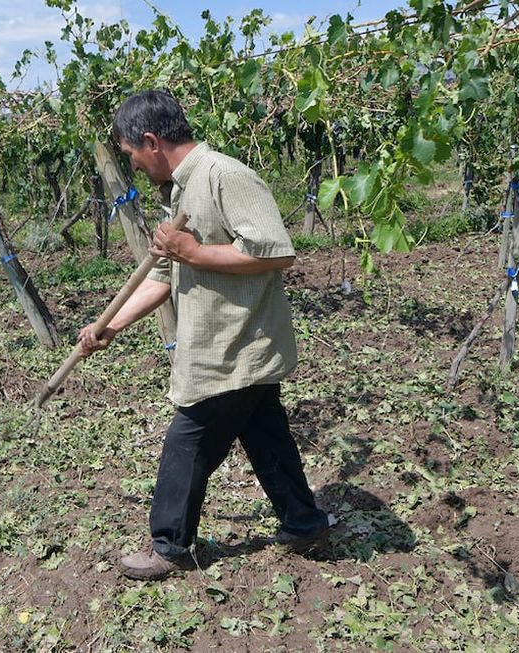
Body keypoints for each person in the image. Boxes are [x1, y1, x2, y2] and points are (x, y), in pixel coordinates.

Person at [79, 90, 330, 581]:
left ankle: (170, 547)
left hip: (231, 349)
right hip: (241, 351)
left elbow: (277, 253)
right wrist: (109, 325)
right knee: (266, 437)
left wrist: (193, 253)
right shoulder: (181, 190)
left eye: (131, 154)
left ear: (150, 141)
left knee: (186, 444)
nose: (133, 165)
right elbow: (162, 280)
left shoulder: (224, 176)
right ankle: (305, 523)